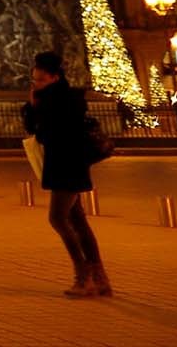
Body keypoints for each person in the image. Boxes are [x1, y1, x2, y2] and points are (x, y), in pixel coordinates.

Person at [22, 50, 111, 298]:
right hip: (66, 164)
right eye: (34, 80)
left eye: (40, 79)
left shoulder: (62, 102)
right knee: (78, 221)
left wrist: (37, 109)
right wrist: (32, 106)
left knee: (57, 219)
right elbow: (32, 127)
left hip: (67, 165)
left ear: (55, 77)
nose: (36, 84)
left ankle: (84, 277)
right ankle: (99, 278)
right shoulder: (52, 100)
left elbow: (45, 133)